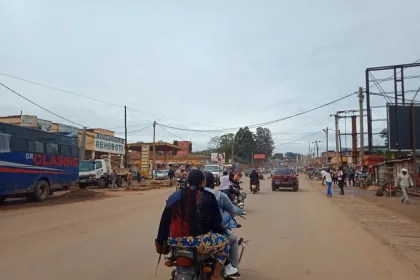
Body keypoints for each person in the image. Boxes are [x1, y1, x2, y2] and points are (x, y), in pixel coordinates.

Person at [155, 169, 231, 280]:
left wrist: (161, 240)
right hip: (195, 242)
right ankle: (216, 275)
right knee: (224, 243)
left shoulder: (175, 196)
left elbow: (164, 221)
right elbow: (215, 223)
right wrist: (221, 231)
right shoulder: (207, 196)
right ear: (203, 182)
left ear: (188, 181)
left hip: (174, 242)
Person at [204, 172, 243, 278]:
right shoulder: (217, 195)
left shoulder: (191, 196)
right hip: (209, 235)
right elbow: (232, 209)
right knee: (232, 239)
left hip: (189, 235)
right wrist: (240, 211)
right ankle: (232, 268)